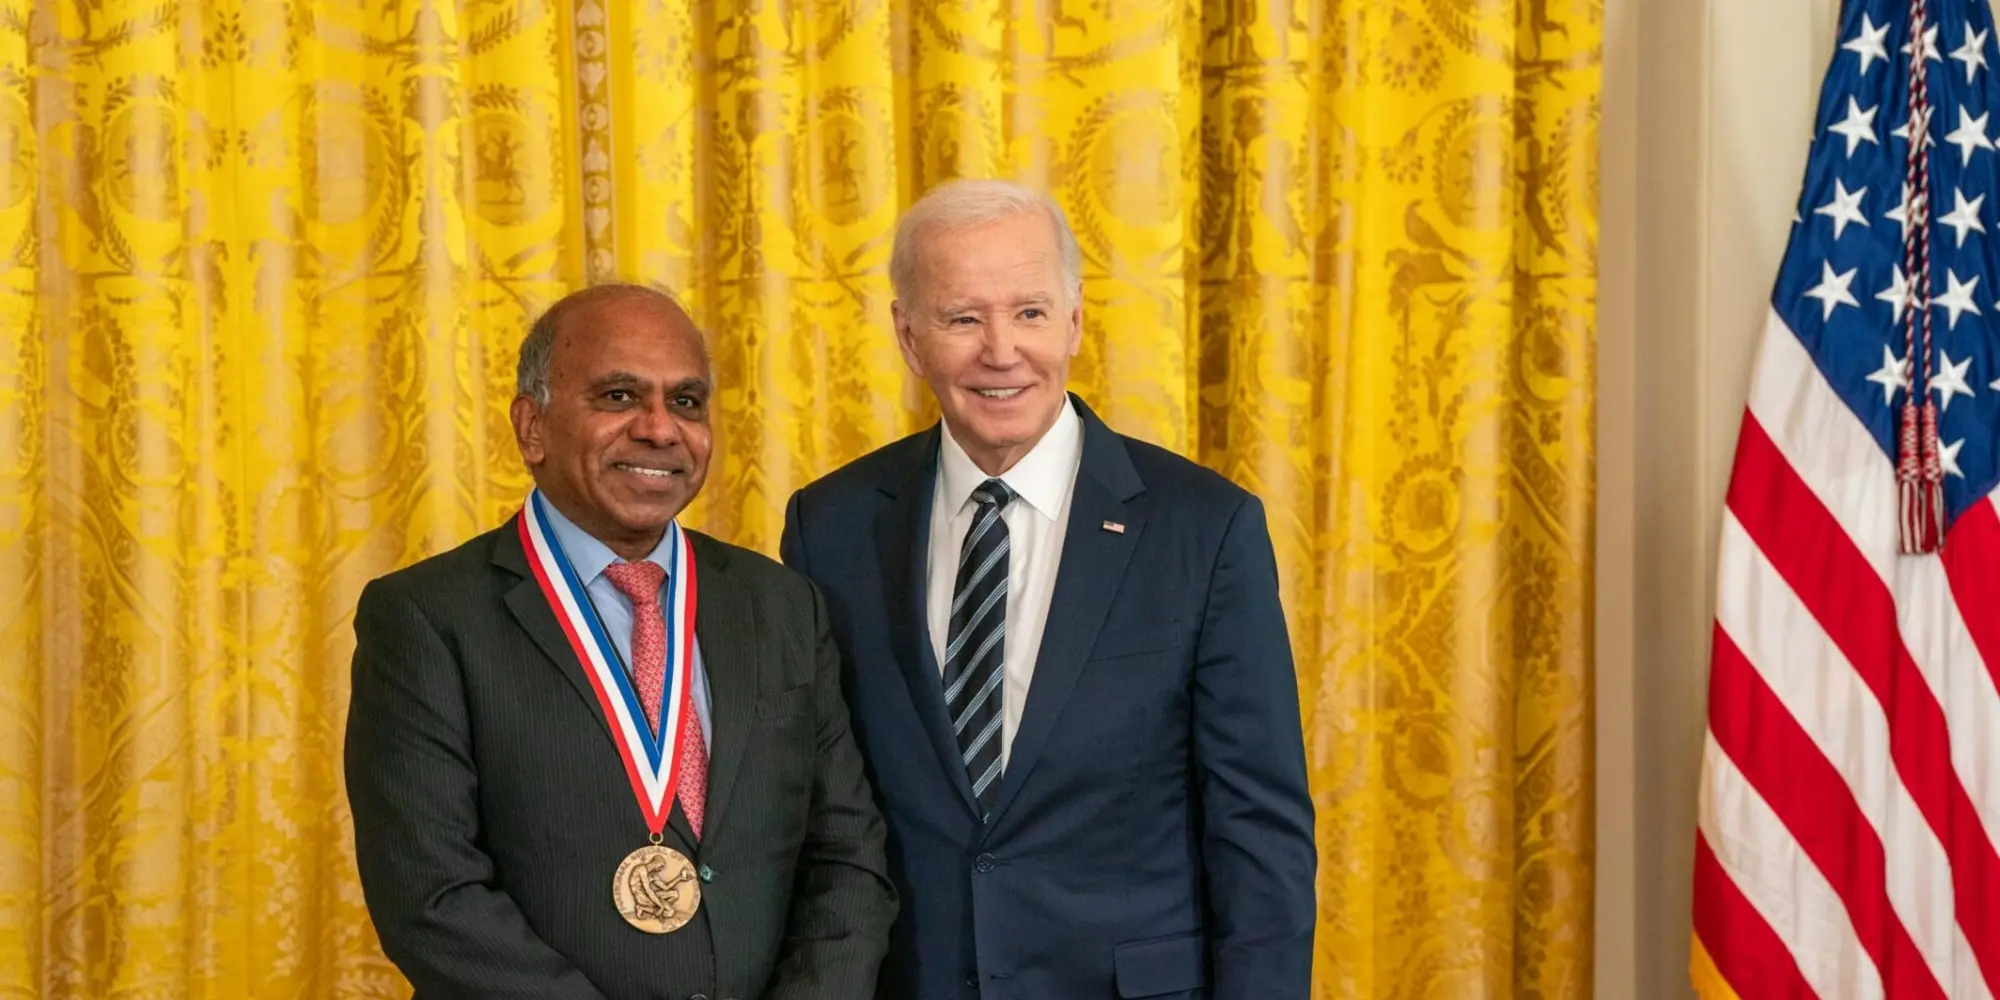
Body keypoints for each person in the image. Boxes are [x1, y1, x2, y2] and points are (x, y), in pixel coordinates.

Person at [780, 180, 1317, 999]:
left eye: (1029, 312)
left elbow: (1261, 834)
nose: (1002, 350)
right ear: (907, 335)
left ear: (1073, 321)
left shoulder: (1205, 530)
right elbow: (815, 813)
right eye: (963, 317)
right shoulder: (832, 526)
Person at [345, 284, 897, 1000]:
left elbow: (848, 859)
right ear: (531, 427)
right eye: (618, 396)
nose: (661, 430)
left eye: (687, 402)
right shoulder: (425, 617)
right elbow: (433, 897)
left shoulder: (783, 604)